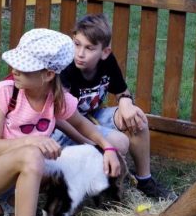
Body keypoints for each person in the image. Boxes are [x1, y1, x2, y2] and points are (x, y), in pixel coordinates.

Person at [0, 28, 121, 216]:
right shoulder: (5, 93)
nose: (14, 70)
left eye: (24, 66)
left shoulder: (57, 99)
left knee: (59, 157)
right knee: (33, 155)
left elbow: (85, 126)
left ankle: (10, 203)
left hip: (22, 166)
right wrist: (31, 140)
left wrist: (108, 148)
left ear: (47, 75)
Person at [53, 13, 177, 200]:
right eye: (77, 44)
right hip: (65, 127)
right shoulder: (66, 67)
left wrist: (126, 102)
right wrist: (91, 142)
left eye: (89, 48)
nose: (80, 53)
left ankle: (145, 180)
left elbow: (122, 91)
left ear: (104, 52)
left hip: (91, 116)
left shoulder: (107, 63)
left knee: (137, 118)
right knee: (119, 143)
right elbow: (60, 116)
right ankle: (99, 188)